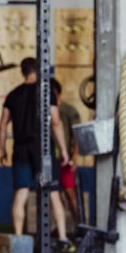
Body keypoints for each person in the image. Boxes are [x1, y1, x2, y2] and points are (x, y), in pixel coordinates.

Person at [0, 58, 70, 248]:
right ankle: (62, 237)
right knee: (53, 193)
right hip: (43, 149)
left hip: (20, 148)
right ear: (38, 71)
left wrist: (2, 149)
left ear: (22, 72)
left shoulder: (13, 95)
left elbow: (3, 125)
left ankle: (20, 239)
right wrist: (64, 150)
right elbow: (56, 122)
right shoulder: (47, 92)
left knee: (21, 193)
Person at [50, 79, 83, 228]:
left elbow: (76, 136)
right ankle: (59, 228)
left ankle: (79, 226)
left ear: (57, 93)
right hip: (50, 160)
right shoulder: (43, 111)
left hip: (65, 160)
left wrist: (74, 157)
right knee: (54, 195)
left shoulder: (69, 111)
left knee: (70, 195)